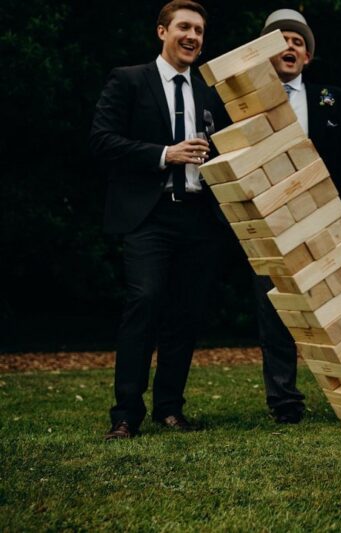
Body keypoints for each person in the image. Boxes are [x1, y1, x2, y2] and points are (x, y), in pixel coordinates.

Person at [89, 0, 229, 439]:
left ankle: (170, 408)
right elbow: (102, 141)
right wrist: (164, 154)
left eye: (200, 31)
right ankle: (125, 414)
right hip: (148, 216)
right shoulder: (129, 80)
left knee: (185, 314)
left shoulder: (210, 90)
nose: (193, 37)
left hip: (198, 217)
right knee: (144, 303)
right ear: (162, 32)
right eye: (184, 27)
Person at [251, 9, 341, 423]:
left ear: (307, 57)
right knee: (277, 312)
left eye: (298, 42)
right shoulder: (248, 106)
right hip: (271, 223)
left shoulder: (333, 99)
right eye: (281, 40)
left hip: (326, 222)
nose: (290, 46)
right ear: (264, 53)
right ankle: (284, 402)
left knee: (338, 312)